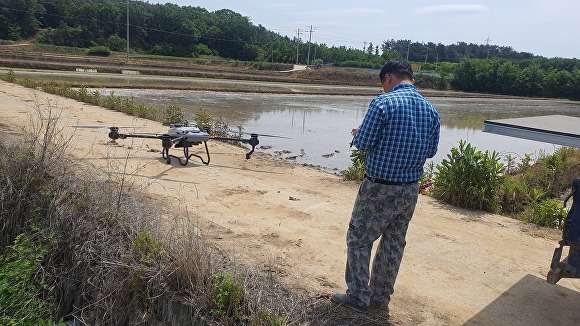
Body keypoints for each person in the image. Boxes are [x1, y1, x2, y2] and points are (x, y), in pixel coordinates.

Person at [331, 60, 440, 314]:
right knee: (393, 244)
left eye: (383, 84)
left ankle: (358, 297)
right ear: (410, 78)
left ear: (388, 78)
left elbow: (364, 142)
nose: (383, 88)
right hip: (409, 190)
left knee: (359, 238)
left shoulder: (382, 103)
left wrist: (358, 133)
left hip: (379, 187)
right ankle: (380, 299)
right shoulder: (431, 110)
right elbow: (431, 151)